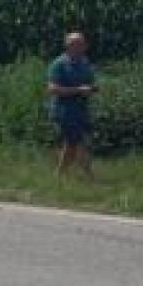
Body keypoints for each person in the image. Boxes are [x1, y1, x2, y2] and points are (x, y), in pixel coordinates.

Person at [47, 32, 98, 179]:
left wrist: (92, 89)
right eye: (78, 44)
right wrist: (78, 90)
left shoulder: (85, 62)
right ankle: (90, 177)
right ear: (69, 46)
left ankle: (59, 175)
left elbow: (90, 83)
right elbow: (52, 89)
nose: (82, 47)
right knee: (78, 142)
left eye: (83, 43)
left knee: (71, 145)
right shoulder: (59, 64)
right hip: (64, 110)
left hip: (81, 109)